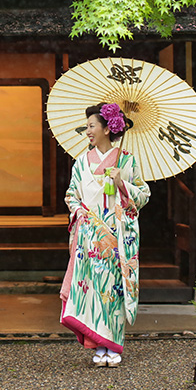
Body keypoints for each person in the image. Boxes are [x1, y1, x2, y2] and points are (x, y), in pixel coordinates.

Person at [59, 102, 151, 368]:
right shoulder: (81, 163)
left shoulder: (127, 160)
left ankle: (113, 343)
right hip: (90, 238)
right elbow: (71, 196)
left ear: (107, 128)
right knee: (94, 290)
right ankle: (98, 343)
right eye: (87, 126)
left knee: (114, 291)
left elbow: (143, 196)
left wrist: (122, 182)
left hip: (117, 237)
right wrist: (81, 214)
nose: (87, 131)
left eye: (91, 126)